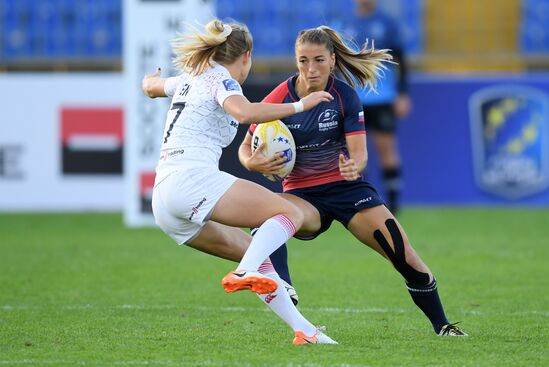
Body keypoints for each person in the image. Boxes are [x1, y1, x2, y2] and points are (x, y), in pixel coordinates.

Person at [239, 25, 467, 336]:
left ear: (332, 60)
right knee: (267, 213)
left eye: (319, 60)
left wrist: (353, 166)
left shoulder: (344, 96)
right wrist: (251, 161)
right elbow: (246, 144)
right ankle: (283, 285)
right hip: (303, 197)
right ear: (295, 61)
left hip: (348, 191)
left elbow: (360, 155)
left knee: (403, 255)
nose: (311, 68)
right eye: (303, 60)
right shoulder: (281, 96)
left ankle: (442, 326)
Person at [142, 19, 337, 345]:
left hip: (163, 196)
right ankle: (245, 271)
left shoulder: (189, 77)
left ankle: (304, 331)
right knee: (293, 214)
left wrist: (153, 80)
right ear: (246, 55)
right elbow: (243, 112)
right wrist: (301, 105)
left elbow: (150, 88)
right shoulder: (222, 79)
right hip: (193, 179)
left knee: (259, 255)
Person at [345, 0, 412, 215]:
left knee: (386, 149)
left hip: (382, 97)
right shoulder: (343, 24)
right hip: (354, 98)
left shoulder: (387, 23)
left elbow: (401, 60)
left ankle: (393, 204)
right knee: (353, 151)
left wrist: (402, 93)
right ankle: (356, 199)